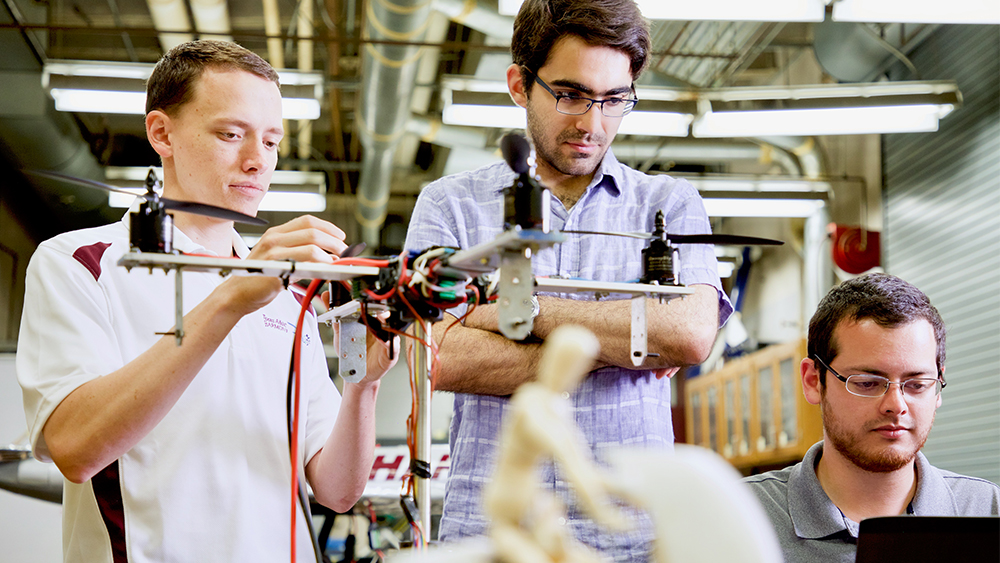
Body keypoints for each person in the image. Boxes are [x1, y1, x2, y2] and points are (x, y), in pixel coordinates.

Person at [17, 40, 397, 562]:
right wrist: (232, 298)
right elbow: (74, 448)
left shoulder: (291, 296)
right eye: (231, 133)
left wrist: (364, 387)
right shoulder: (81, 263)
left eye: (270, 141)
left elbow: (336, 489)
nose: (256, 161)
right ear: (161, 133)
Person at [404, 0, 731, 559]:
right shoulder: (449, 206)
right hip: (492, 533)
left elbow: (690, 336)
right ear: (518, 84)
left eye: (614, 100)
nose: (592, 122)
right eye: (571, 94)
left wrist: (513, 311)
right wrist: (625, 347)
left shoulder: (670, 203)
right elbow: (437, 357)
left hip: (631, 537)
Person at [743, 273, 999, 563]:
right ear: (814, 380)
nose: (896, 405)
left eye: (916, 384)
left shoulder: (986, 509)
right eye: (867, 383)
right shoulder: (740, 515)